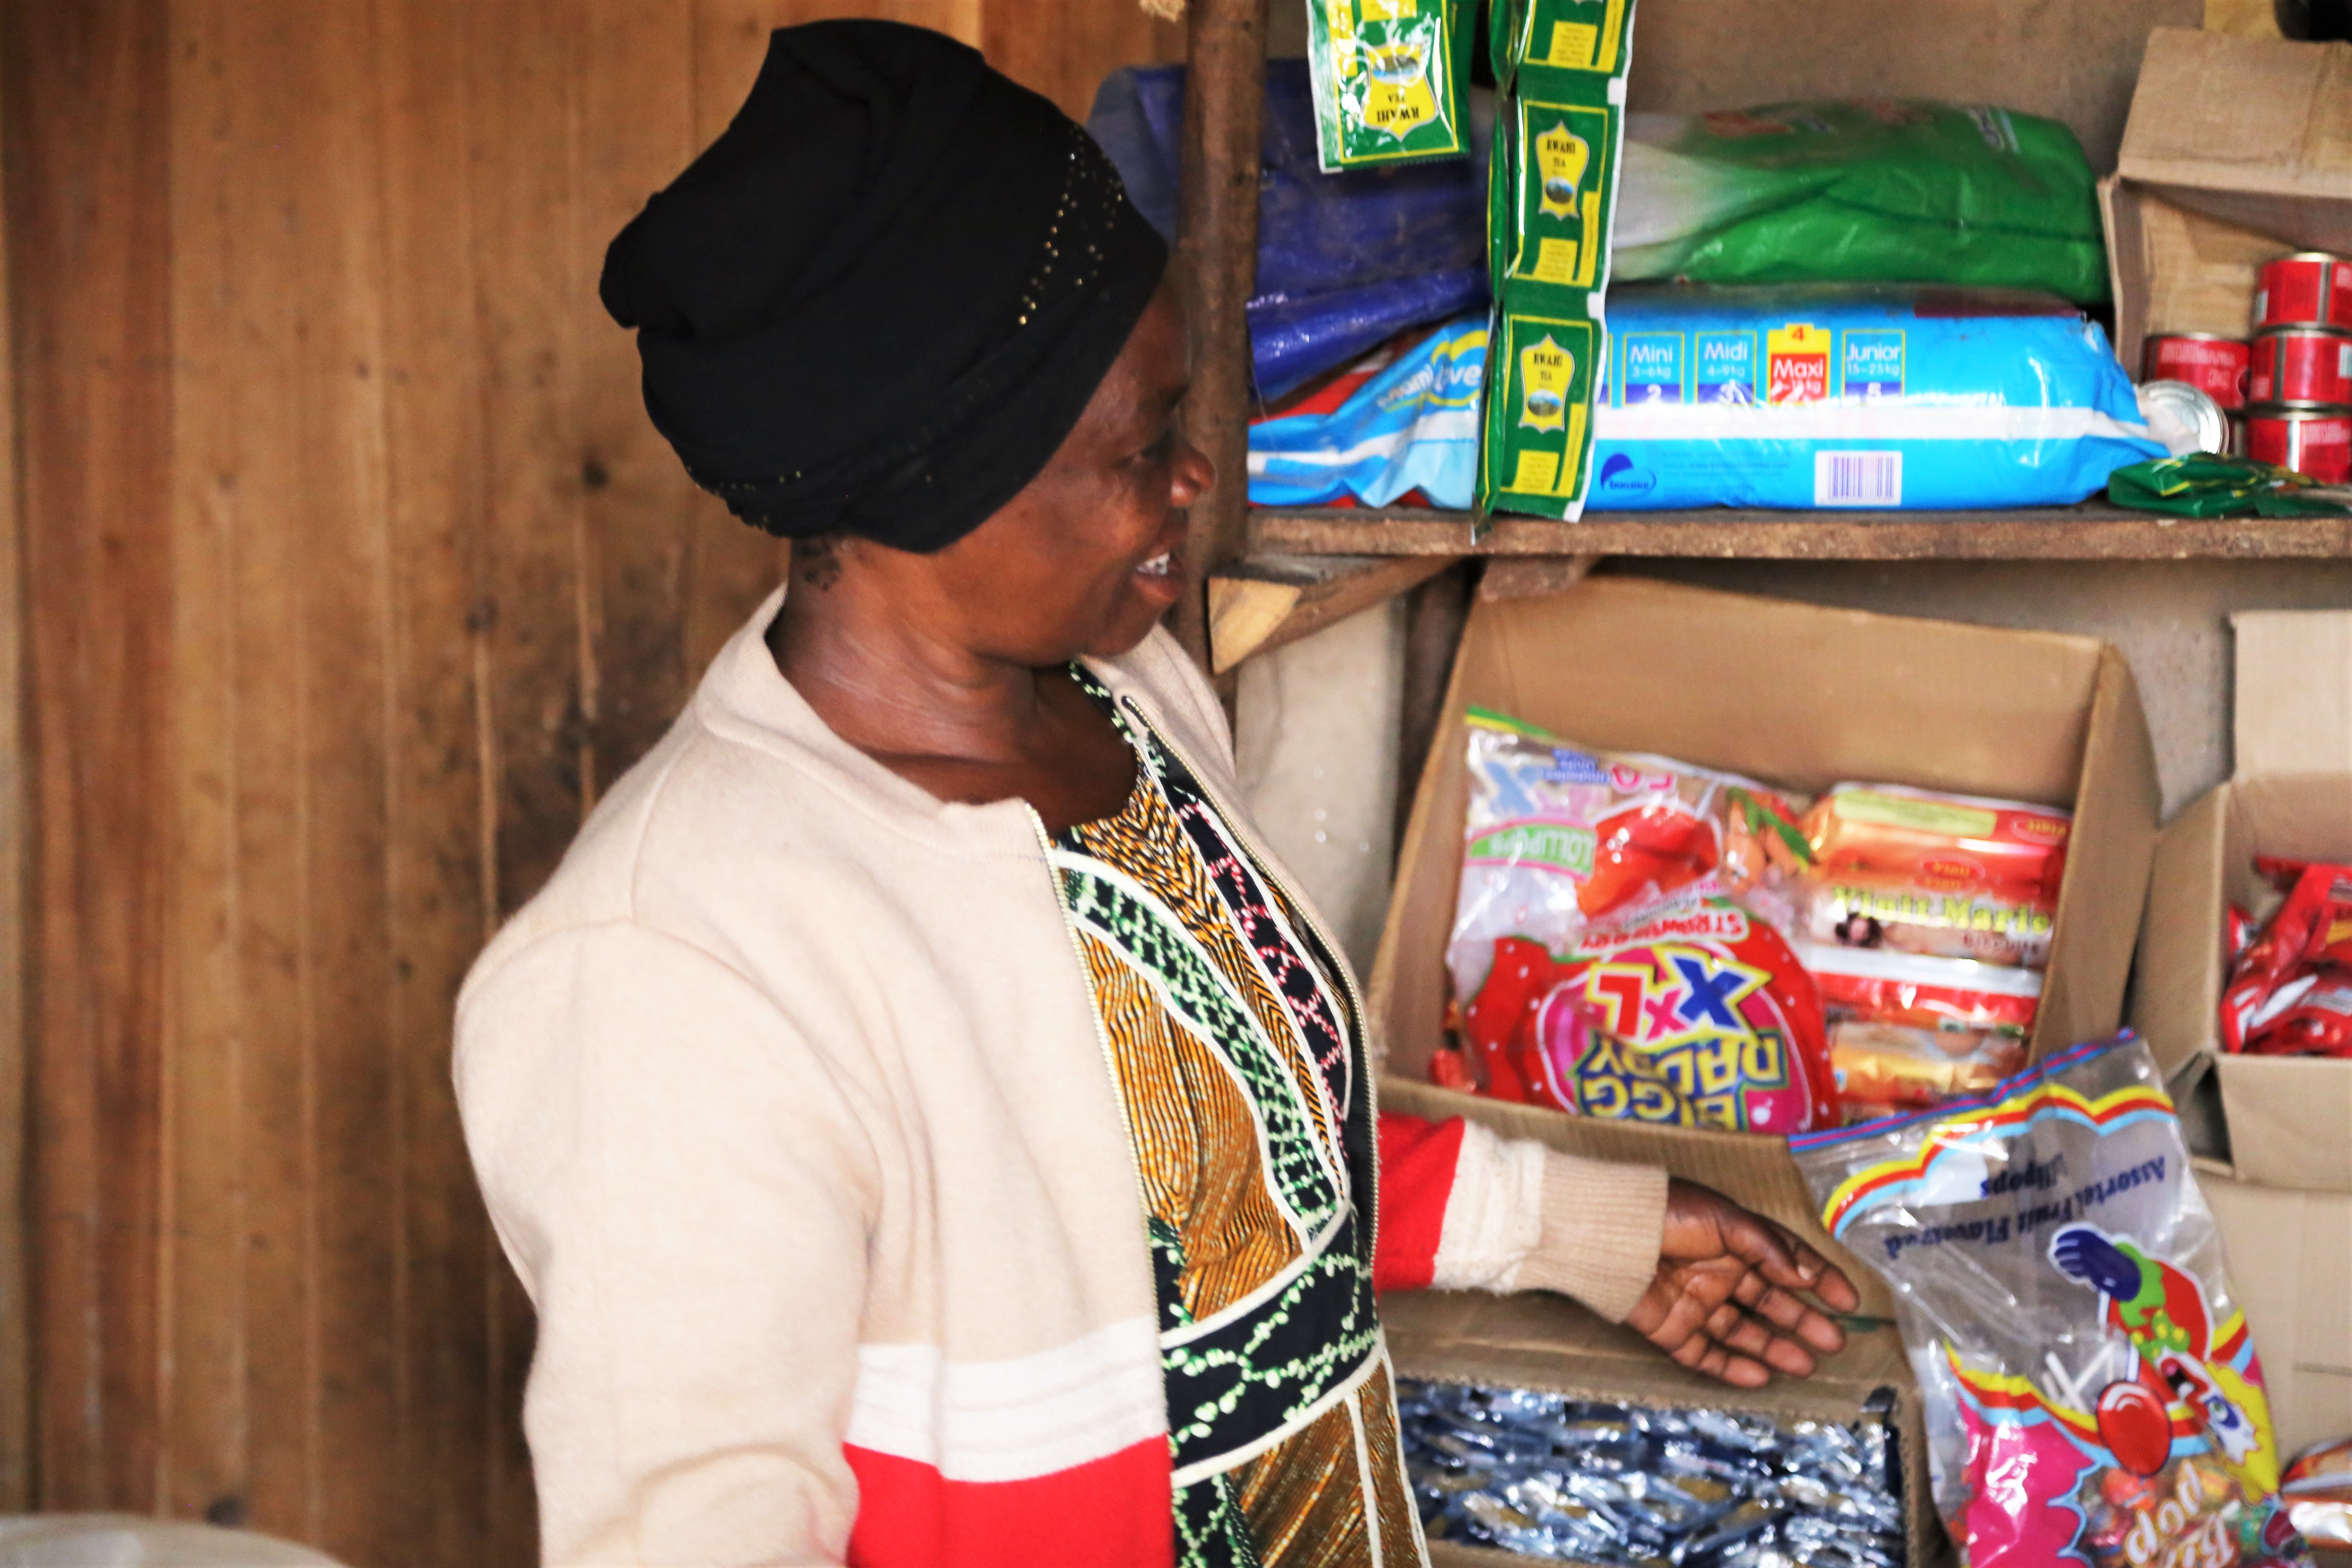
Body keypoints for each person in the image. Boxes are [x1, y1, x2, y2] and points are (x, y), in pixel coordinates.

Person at [454, 21, 1860, 1567]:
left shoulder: (1125, 704)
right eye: (1140, 445)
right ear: (946, 481)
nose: (1195, 480)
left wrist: (1579, 1234)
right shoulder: (675, 967)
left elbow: (1208, 1174)